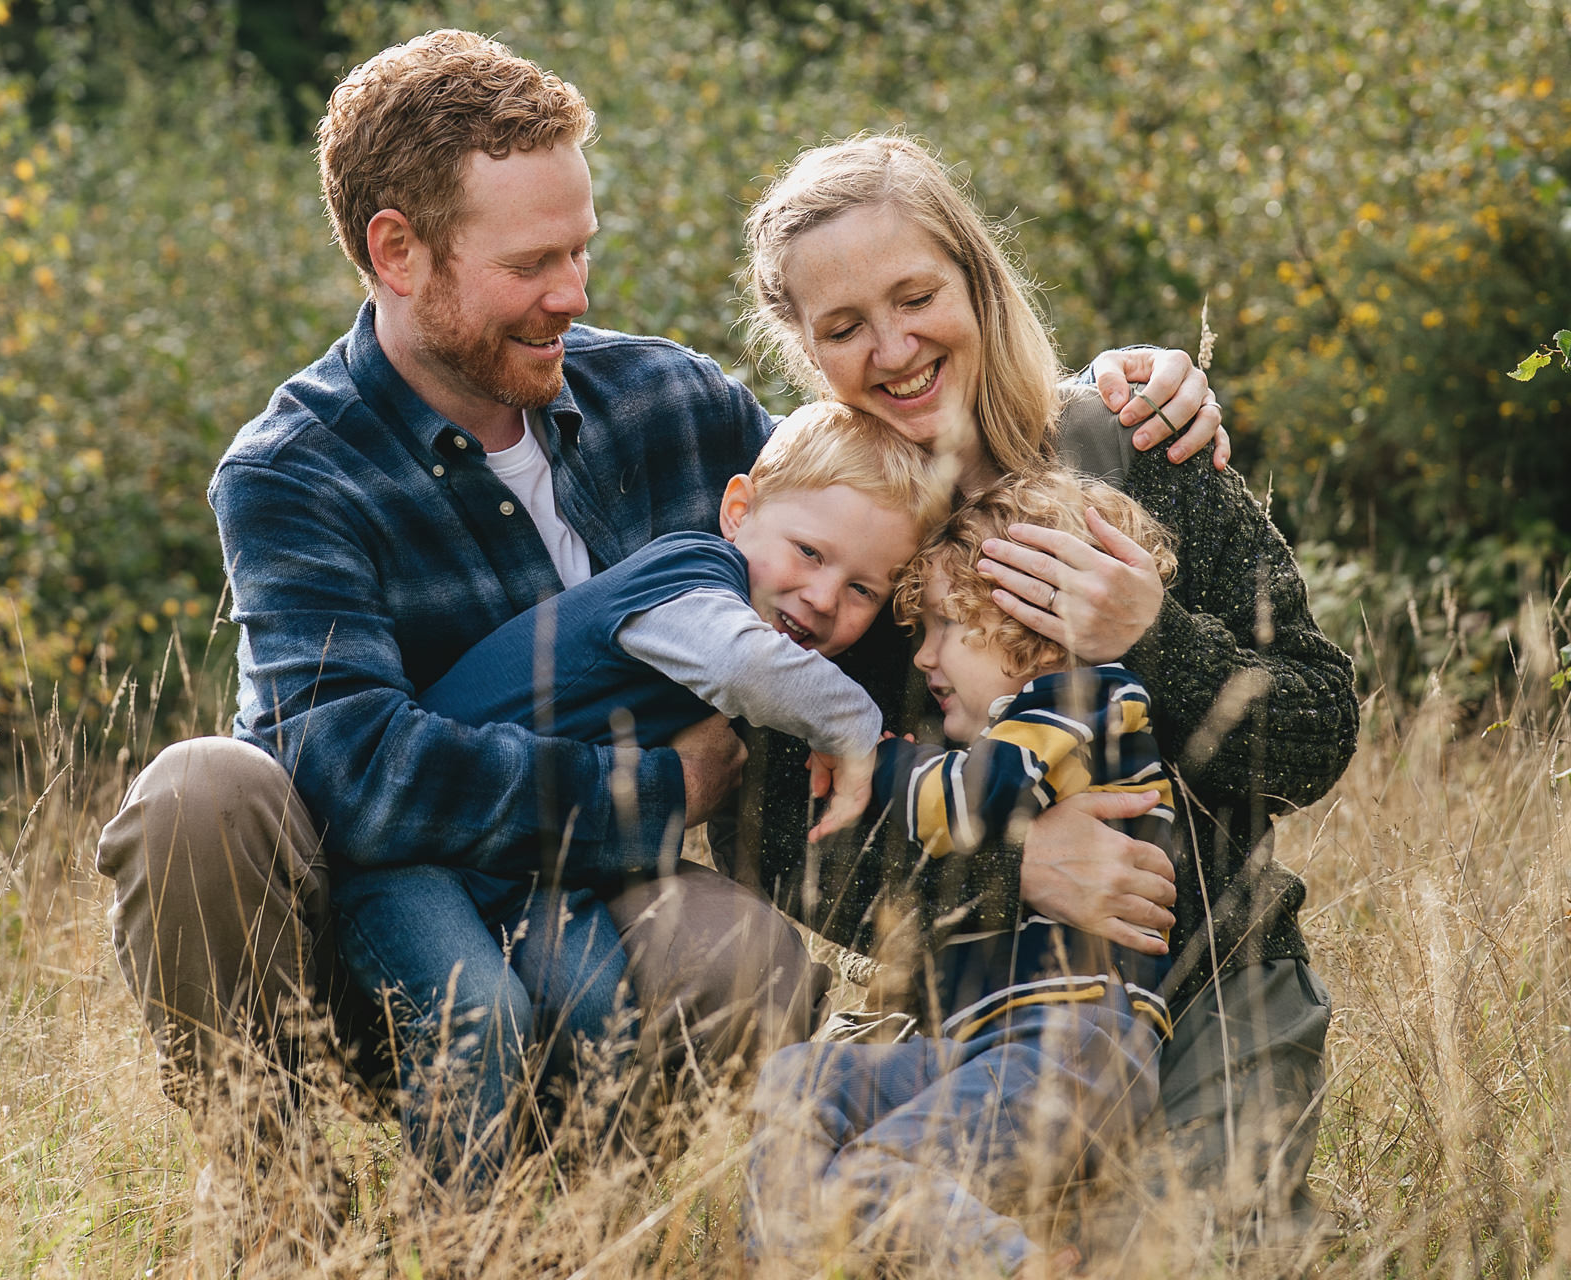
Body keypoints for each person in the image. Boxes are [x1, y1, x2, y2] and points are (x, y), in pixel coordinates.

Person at [90, 28, 1223, 1251]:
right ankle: (284, 1198)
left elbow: (867, 489)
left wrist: (1107, 393)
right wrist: (657, 788)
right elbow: (353, 771)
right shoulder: (293, 470)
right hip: (378, 916)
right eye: (534, 263)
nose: (574, 294)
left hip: (585, 911)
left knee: (745, 959)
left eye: (582, 249)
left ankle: (575, 1215)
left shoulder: (667, 405)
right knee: (200, 792)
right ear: (398, 251)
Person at [733, 134, 1359, 1250]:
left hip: (1212, 978)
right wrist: (1014, 859)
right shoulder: (832, 544)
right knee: (853, 1211)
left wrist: (1153, 639)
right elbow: (777, 828)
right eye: (842, 328)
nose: (894, 347)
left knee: (1191, 1258)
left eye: (917, 295)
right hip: (974, 1010)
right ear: (805, 351)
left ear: (978, 277)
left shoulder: (1131, 447)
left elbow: (1315, 732)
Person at [336, 401, 950, 1187]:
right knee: (480, 1016)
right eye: (807, 551)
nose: (825, 598)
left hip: (534, 870)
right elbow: (745, 668)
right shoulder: (688, 576)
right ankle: (457, 1246)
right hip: (413, 850)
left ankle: (567, 1226)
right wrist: (854, 728)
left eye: (863, 590)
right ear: (739, 510)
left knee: (598, 1012)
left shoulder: (757, 610)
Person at [746, 470, 1179, 1275]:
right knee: (799, 1082)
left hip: (1075, 1047)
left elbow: (965, 807)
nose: (924, 655)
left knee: (871, 1177)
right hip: (993, 1046)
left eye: (947, 625)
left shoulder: (1088, 698)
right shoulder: (1030, 725)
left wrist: (863, 753)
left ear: (1036, 626)